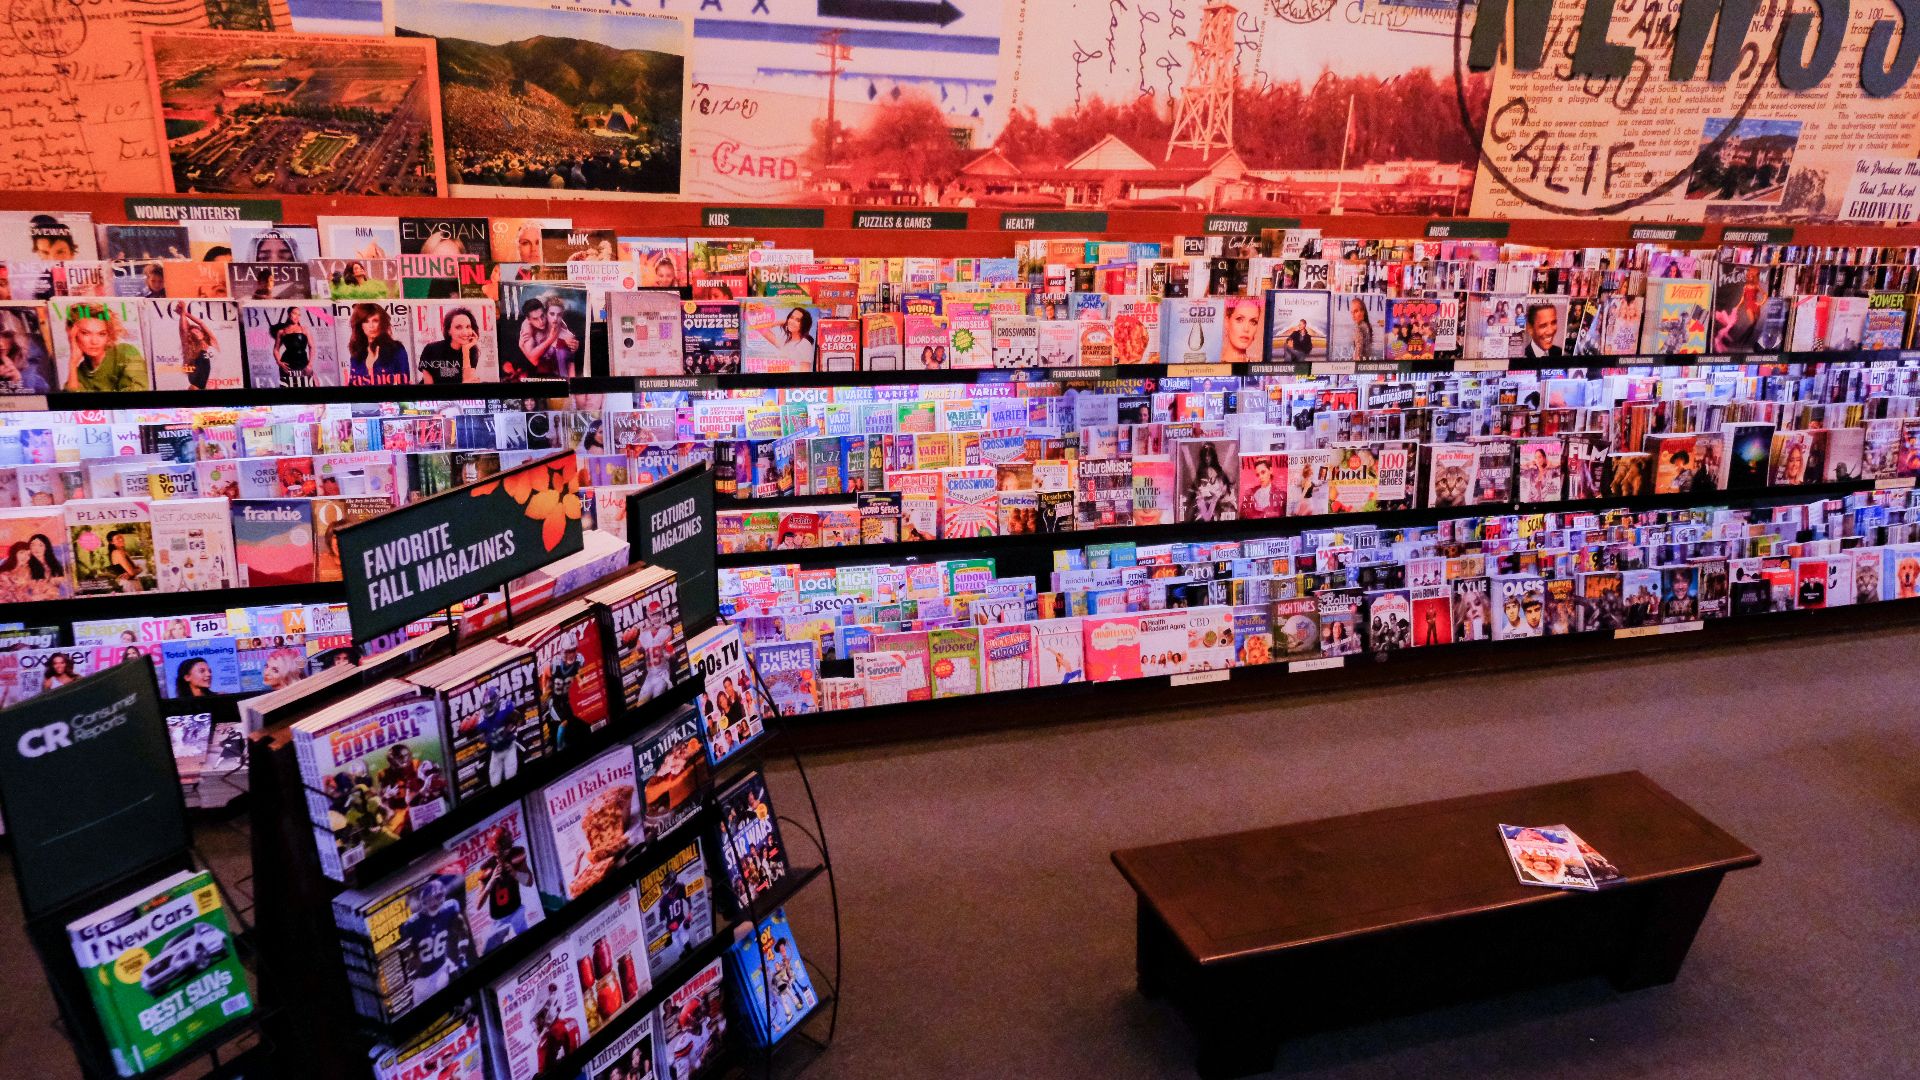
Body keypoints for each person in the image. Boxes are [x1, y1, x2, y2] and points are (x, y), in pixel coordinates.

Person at [400, 873, 473, 999]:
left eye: (437, 897)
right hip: (421, 980)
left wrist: (462, 956)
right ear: (423, 901)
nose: (434, 902)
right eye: (429, 899)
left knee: (457, 977)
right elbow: (406, 953)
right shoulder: (413, 923)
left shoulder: (449, 909)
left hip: (442, 967)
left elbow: (462, 930)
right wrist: (411, 961)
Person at [61, 304, 148, 392]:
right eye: (85, 333)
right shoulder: (79, 373)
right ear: (73, 335)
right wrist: (72, 363)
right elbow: (72, 402)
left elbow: (138, 394)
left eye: (101, 334)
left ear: (108, 335)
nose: (94, 341)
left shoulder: (126, 352)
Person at [512, 296, 579, 379]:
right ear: (528, 319)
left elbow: (567, 333)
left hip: (556, 368)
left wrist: (574, 344)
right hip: (534, 369)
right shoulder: (527, 328)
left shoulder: (554, 318)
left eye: (542, 316)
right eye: (535, 319)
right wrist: (550, 339)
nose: (541, 322)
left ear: (545, 311)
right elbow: (534, 361)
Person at [348, 303, 409, 384]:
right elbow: (352, 384)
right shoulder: (357, 353)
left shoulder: (396, 349)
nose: (371, 326)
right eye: (366, 321)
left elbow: (404, 382)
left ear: (382, 323)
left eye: (375, 321)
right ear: (360, 325)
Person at [417, 307, 480, 384]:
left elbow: (467, 385)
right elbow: (429, 388)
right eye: (458, 327)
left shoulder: (471, 351)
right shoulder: (431, 349)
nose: (465, 332)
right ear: (449, 330)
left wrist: (466, 351)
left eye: (468, 327)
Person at [1184, 442, 1237, 522]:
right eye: (1205, 455)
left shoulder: (1220, 476)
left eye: (1209, 455)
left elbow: (1225, 492)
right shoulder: (1200, 479)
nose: (1207, 458)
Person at [175, 303, 219, 390]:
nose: (196, 333)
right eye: (193, 333)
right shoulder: (192, 350)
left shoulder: (213, 343)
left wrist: (185, 312)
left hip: (215, 386)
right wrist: (182, 314)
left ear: (203, 333)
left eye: (197, 331)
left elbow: (201, 323)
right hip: (197, 387)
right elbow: (183, 331)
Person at [272, 308, 313, 384]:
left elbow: (312, 347)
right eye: (294, 313)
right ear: (288, 314)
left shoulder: (304, 329)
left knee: (309, 384)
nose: (297, 317)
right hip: (287, 364)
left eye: (299, 315)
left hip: (303, 362)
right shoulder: (281, 331)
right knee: (289, 385)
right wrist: (279, 362)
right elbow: (276, 349)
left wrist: (310, 364)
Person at [1220, 295, 1262, 363]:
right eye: (1239, 319)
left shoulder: (1257, 369)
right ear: (1227, 322)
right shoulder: (1211, 366)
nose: (1246, 329)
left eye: (1253, 322)